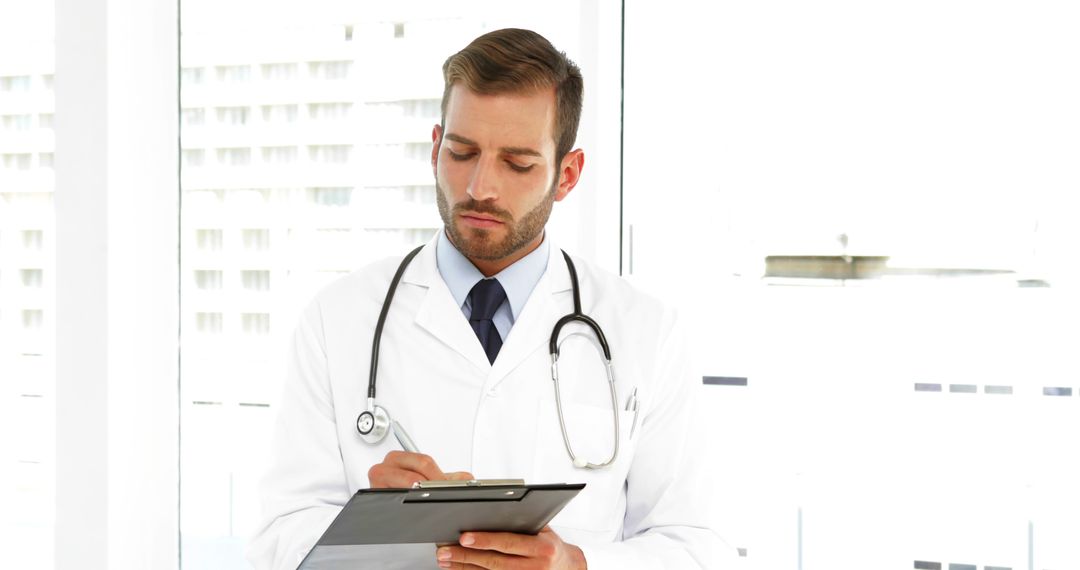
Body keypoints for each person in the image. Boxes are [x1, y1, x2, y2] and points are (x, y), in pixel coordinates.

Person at [247, 28, 735, 569]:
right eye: (462, 152)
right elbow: (278, 540)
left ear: (567, 174)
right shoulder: (337, 320)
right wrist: (383, 529)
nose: (480, 186)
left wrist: (577, 564)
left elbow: (700, 548)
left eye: (518, 163)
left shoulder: (645, 331)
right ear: (435, 148)